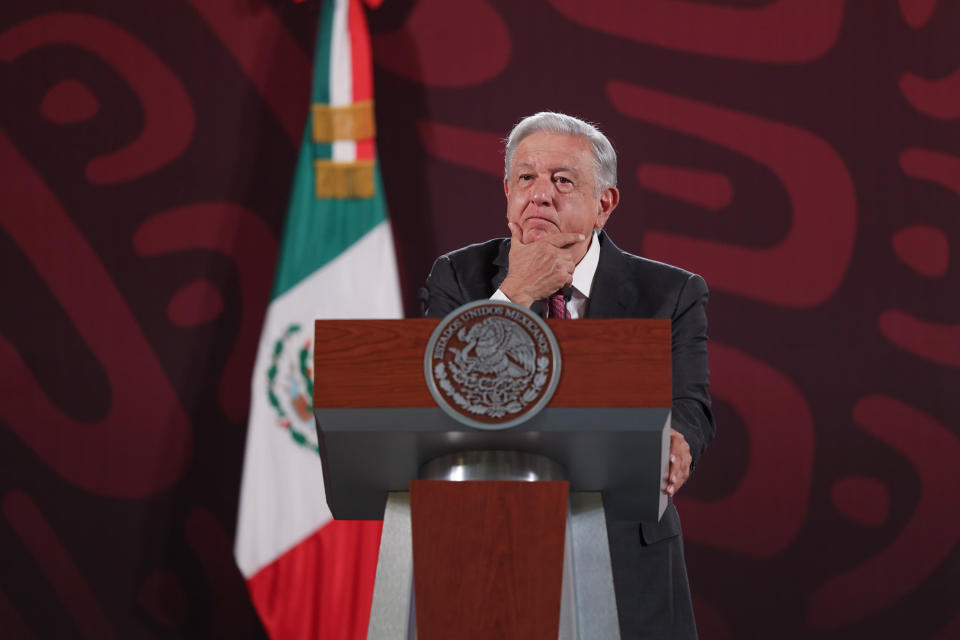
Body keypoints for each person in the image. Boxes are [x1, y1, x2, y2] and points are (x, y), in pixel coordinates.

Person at [422, 112, 715, 639]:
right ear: (507, 190)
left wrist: (678, 439)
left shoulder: (670, 293)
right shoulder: (457, 278)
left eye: (562, 180)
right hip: (495, 546)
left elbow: (690, 403)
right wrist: (515, 293)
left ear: (605, 204)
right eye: (526, 178)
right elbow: (442, 392)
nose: (540, 195)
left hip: (626, 550)